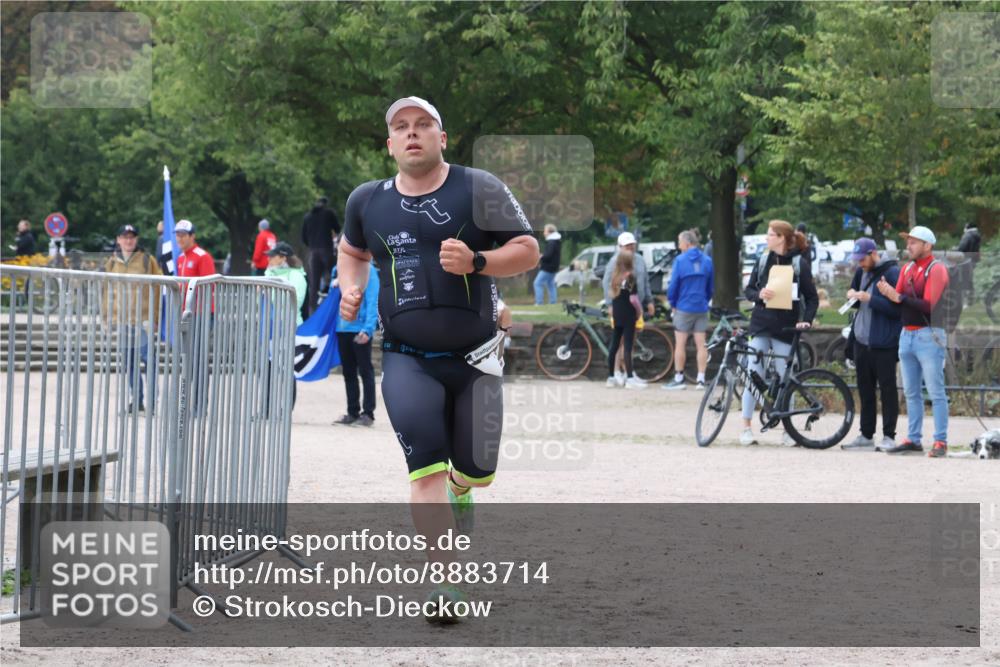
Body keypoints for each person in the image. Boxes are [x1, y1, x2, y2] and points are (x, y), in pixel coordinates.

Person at [337, 96, 539, 620]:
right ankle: (444, 583)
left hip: (476, 358)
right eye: (401, 127)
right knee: (423, 469)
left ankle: (462, 489)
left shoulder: (479, 187)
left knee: (477, 470)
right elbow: (352, 252)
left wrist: (478, 259)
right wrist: (350, 288)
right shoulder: (367, 200)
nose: (412, 134)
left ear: (441, 137)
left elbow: (527, 248)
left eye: (423, 125)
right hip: (407, 357)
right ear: (389, 144)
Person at [740, 220, 819, 446]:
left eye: (770, 235)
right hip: (761, 324)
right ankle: (746, 426)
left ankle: (788, 429)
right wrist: (759, 294)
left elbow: (811, 297)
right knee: (753, 373)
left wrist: (806, 320)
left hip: (786, 326)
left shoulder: (799, 263)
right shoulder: (763, 259)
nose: (766, 238)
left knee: (788, 378)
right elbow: (749, 290)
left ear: (781, 238)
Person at [876, 226, 950, 457]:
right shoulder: (907, 268)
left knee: (936, 392)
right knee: (910, 391)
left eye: (914, 242)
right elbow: (899, 301)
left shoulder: (935, 269)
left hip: (929, 335)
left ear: (927, 246)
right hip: (906, 334)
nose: (909, 245)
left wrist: (898, 296)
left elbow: (929, 304)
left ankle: (940, 441)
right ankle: (914, 438)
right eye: (908, 242)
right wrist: (889, 293)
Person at [841, 238, 901, 452]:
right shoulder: (860, 272)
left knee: (887, 390)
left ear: (873, 253)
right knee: (865, 389)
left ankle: (889, 436)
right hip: (861, 341)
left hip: (883, 343)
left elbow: (897, 309)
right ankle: (866, 435)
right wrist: (852, 296)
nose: (860, 264)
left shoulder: (892, 273)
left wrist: (870, 298)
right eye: (857, 260)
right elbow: (857, 297)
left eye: (862, 259)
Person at [103, 224, 162, 414]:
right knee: (129, 363)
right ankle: (136, 400)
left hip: (143, 320)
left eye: (132, 237)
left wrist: (156, 317)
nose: (128, 241)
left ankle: (152, 401)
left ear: (136, 239)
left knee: (148, 360)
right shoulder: (111, 262)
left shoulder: (147, 260)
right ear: (118, 239)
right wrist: (106, 317)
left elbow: (159, 287)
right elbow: (107, 291)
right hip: (123, 322)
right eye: (125, 237)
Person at [174, 219, 217, 415]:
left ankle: (200, 405)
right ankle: (191, 403)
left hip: (201, 313)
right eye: (178, 234)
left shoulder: (202, 256)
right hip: (187, 314)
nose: (180, 238)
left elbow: (209, 287)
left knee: (199, 360)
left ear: (193, 236)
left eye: (184, 234)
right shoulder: (181, 258)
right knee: (189, 360)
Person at [331, 257, 379, 427]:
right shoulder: (338, 271)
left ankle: (368, 414)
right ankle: (352, 412)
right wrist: (334, 282)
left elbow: (373, 300)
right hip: (342, 328)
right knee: (349, 373)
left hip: (359, 329)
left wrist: (368, 329)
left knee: (365, 371)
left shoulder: (369, 271)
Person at [663, 229, 713, 390]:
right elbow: (711, 286)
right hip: (701, 306)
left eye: (679, 242)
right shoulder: (707, 260)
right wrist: (705, 300)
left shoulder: (680, 260)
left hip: (683, 306)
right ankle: (700, 379)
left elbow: (673, 285)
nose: (679, 245)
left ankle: (679, 378)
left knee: (680, 344)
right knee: (702, 344)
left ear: (687, 243)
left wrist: (672, 303)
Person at [264, 241, 306, 409]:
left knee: (288, 368)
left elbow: (296, 300)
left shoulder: (297, 276)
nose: (269, 259)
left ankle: (287, 407)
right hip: (273, 326)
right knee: (269, 367)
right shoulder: (269, 273)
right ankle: (267, 407)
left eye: (272, 256)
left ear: (283, 257)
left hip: (291, 327)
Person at [605, 249, 646, 390]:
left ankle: (611, 377)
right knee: (627, 346)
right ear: (630, 262)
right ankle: (629, 378)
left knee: (614, 345)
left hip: (617, 313)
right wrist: (639, 312)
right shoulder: (630, 277)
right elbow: (633, 299)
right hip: (628, 314)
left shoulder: (615, 277)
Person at [302, 196, 341, 316]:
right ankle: (334, 308)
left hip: (313, 252)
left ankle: (312, 312)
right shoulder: (329, 213)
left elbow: (303, 237)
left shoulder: (307, 216)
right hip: (326, 250)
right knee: (334, 276)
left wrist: (312, 245)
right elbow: (337, 228)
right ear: (325, 204)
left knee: (314, 283)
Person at [533, 223, 561, 305]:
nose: (544, 233)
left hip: (547, 267)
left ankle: (539, 302)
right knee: (550, 284)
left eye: (545, 231)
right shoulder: (556, 241)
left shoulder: (551, 242)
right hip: (554, 267)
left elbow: (548, 255)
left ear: (550, 232)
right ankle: (553, 302)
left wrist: (541, 256)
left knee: (537, 283)